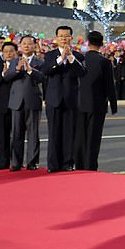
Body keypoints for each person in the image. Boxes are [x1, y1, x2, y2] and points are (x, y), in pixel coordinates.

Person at [42, 26, 86, 173]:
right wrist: (61, 59)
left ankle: (68, 163)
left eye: (66, 36)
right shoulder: (49, 55)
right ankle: (53, 165)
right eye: (60, 36)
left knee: (69, 133)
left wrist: (71, 58)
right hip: (53, 99)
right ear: (56, 38)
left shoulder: (78, 56)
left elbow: (82, 73)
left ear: (71, 38)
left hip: (70, 99)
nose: (63, 38)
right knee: (53, 133)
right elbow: (46, 71)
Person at [74, 31, 117, 171]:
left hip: (79, 102)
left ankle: (79, 164)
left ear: (88, 42)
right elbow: (109, 84)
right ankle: (90, 165)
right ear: (101, 43)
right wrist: (113, 104)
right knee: (93, 137)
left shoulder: (80, 59)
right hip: (97, 103)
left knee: (80, 136)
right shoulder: (104, 62)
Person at [5, 35, 45, 170]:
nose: (27, 46)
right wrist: (17, 69)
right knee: (16, 133)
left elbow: (42, 78)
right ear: (20, 46)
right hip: (16, 101)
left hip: (33, 100)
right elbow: (7, 77)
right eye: (24, 44)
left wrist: (29, 70)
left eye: (30, 44)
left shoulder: (39, 62)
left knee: (33, 133)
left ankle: (32, 162)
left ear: (34, 46)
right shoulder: (14, 61)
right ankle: (16, 163)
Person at [0, 42, 19, 170]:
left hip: (17, 103)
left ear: (16, 52)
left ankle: (17, 162)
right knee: (4, 136)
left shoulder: (20, 65)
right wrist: (3, 74)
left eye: (11, 51)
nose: (8, 54)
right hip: (2, 104)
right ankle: (3, 162)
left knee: (17, 135)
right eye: (6, 51)